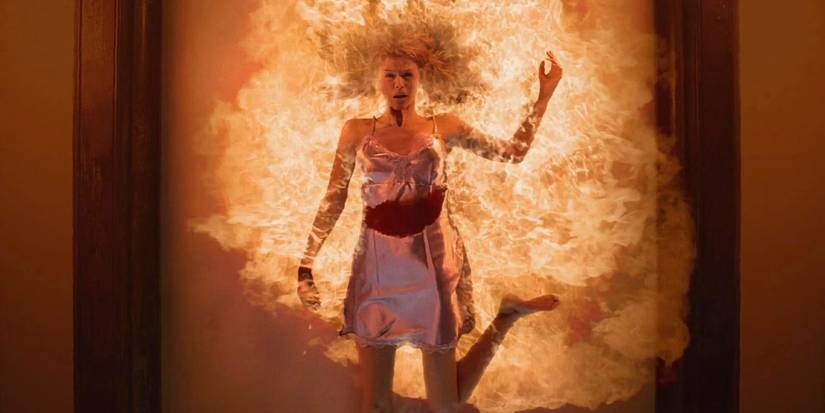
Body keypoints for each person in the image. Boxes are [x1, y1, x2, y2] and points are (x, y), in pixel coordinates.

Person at [296, 23, 564, 413]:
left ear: (422, 78)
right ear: (377, 78)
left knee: (445, 405)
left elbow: (513, 152)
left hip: (431, 266)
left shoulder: (446, 127)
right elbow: (333, 198)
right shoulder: (356, 131)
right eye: (390, 74)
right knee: (375, 405)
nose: (399, 83)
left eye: (408, 74)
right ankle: (505, 316)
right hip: (377, 270)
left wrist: (544, 96)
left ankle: (504, 319)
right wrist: (306, 265)